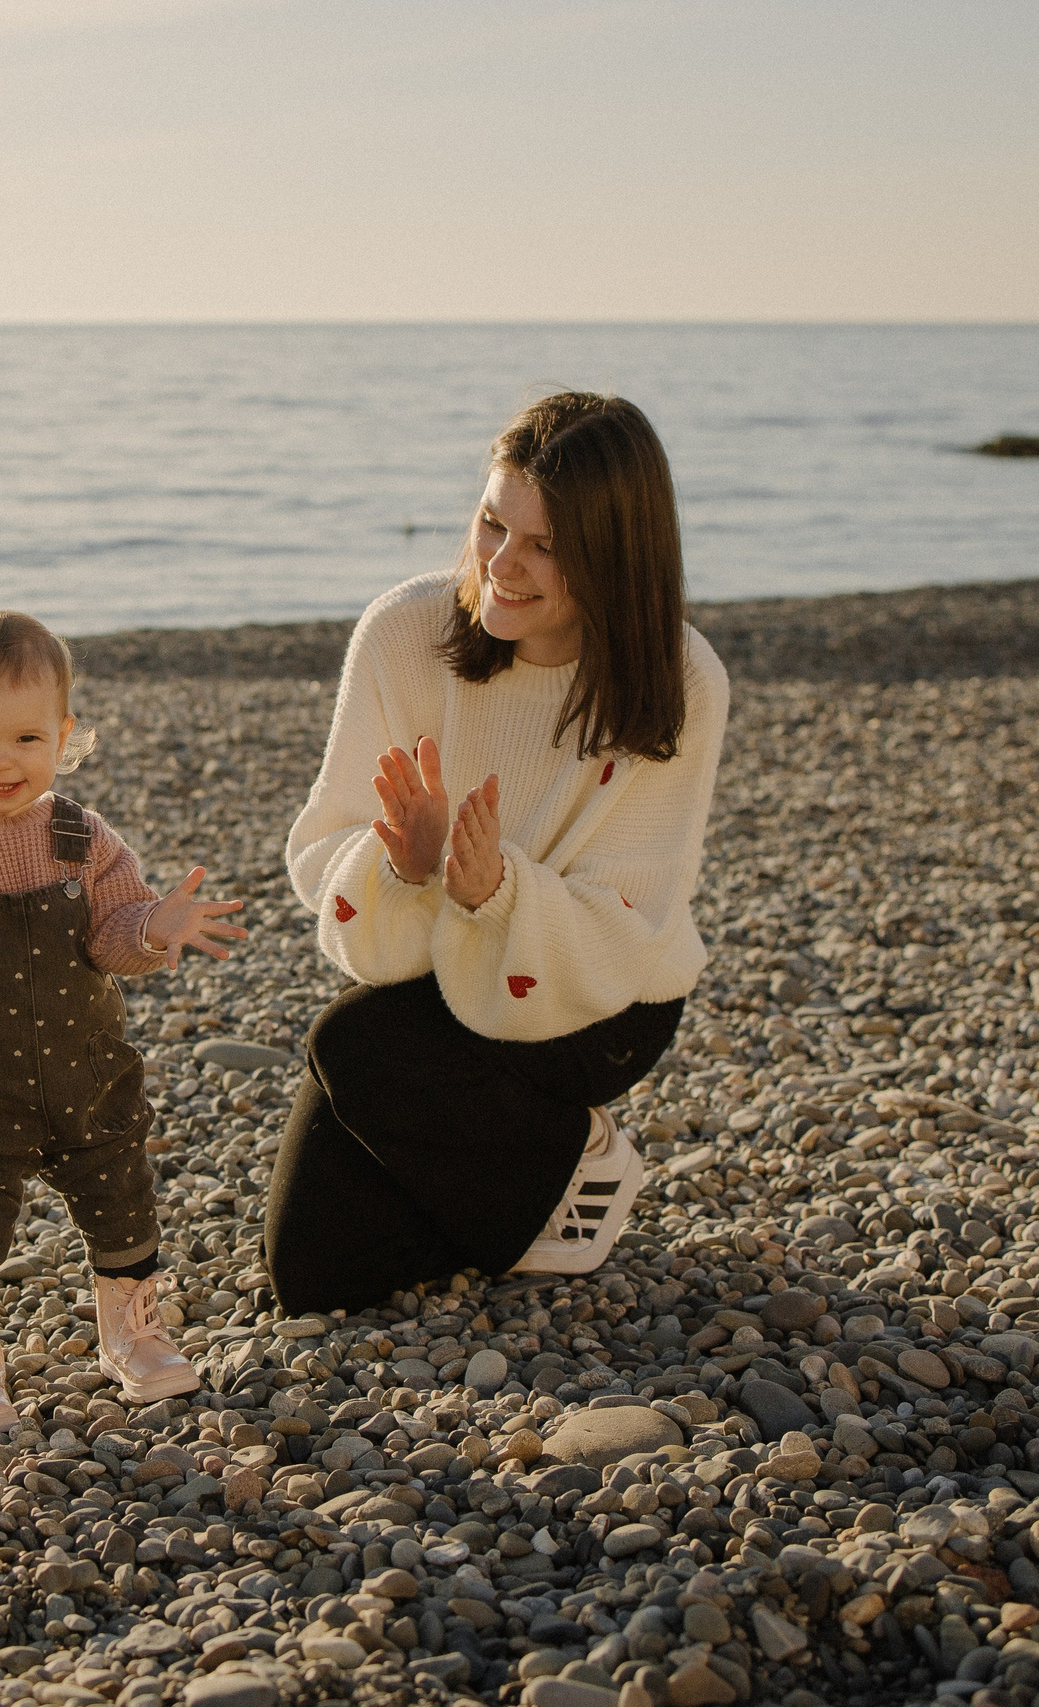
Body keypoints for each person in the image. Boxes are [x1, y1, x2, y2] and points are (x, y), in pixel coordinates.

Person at [265, 393, 728, 1315]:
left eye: (545, 545)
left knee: (350, 1043)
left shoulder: (678, 680)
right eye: (490, 522)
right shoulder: (404, 635)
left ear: (614, 556)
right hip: (438, 978)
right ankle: (537, 1169)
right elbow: (322, 851)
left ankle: (574, 1154)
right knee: (311, 1277)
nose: (502, 564)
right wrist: (404, 867)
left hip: (600, 1003)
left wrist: (497, 891)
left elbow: (634, 918)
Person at [0, 612, 247, 1434]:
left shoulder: (81, 836)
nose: (2, 759)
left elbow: (111, 936)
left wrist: (154, 928)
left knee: (121, 1200)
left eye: (28, 737)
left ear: (65, 736)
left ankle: (132, 1333)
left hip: (86, 1069)